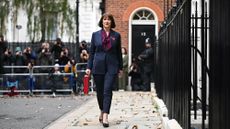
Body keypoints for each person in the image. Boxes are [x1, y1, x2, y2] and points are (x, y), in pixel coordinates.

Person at [85, 13, 123, 128]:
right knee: (100, 91)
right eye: (104, 19)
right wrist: (88, 67)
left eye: (109, 20)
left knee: (107, 90)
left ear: (111, 22)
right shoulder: (95, 35)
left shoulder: (116, 35)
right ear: (102, 22)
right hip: (98, 66)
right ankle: (102, 109)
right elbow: (91, 53)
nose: (106, 21)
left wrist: (120, 68)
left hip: (112, 66)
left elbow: (118, 53)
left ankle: (106, 115)